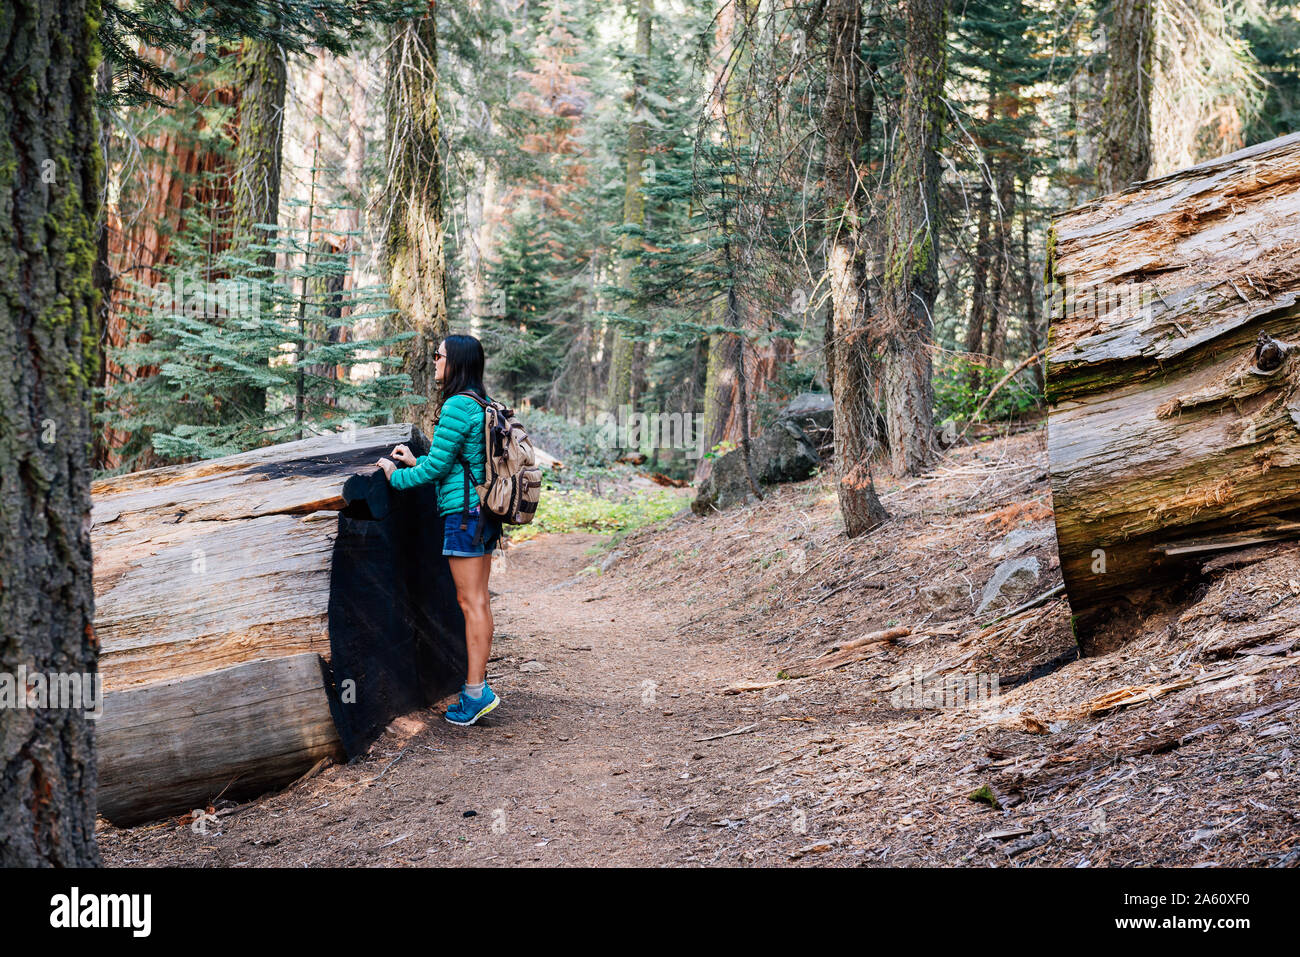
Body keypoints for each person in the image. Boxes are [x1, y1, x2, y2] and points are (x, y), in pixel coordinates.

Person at [375, 334, 503, 726]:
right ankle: (476, 690)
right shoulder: (482, 404)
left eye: (440, 355)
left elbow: (436, 472)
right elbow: (455, 462)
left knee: (470, 603)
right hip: (483, 512)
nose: (434, 361)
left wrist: (396, 476)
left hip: (464, 516)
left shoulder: (456, 406)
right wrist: (419, 458)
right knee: (478, 601)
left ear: (457, 362)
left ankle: (476, 693)